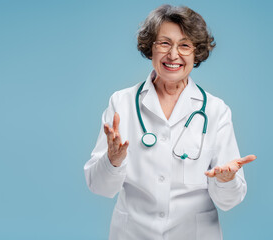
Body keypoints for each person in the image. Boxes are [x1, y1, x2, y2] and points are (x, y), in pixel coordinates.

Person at [84, 4, 256, 240]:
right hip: (133, 233)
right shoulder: (121, 103)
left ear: (197, 52)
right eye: (164, 43)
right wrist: (112, 161)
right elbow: (99, 187)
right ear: (150, 48)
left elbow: (229, 201)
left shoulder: (216, 111)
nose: (173, 55)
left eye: (184, 45)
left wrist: (226, 181)